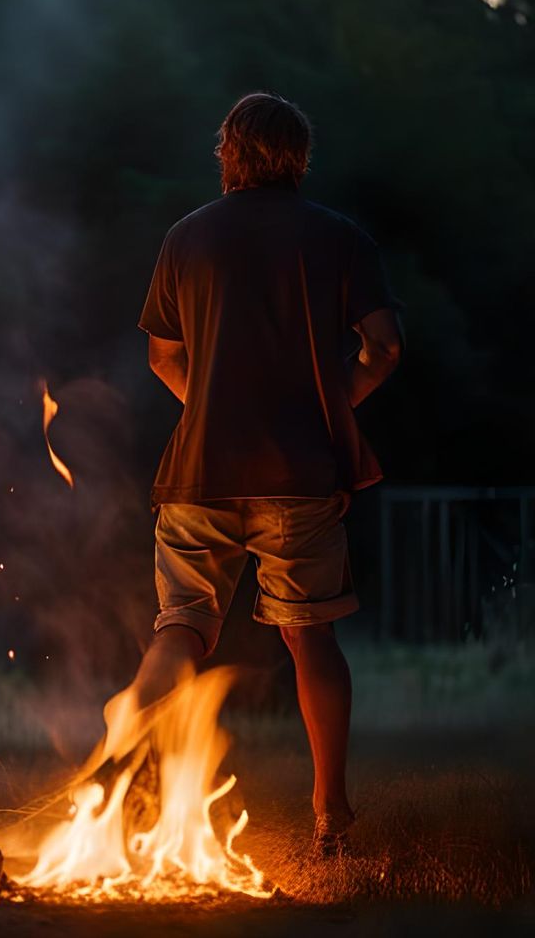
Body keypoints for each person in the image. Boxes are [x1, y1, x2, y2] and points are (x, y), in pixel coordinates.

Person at [134, 92, 403, 854]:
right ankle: (331, 818)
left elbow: (162, 354)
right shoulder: (339, 238)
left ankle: (122, 774)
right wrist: (331, 408)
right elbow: (383, 347)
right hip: (299, 469)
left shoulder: (186, 237)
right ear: (298, 157)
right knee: (308, 634)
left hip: (199, 471)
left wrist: (212, 405)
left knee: (183, 624)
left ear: (229, 151)